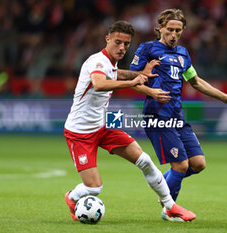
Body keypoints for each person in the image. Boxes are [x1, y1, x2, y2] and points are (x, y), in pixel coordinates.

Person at [63, 20, 196, 222]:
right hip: (79, 132)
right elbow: (99, 84)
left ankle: (170, 207)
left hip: (104, 125)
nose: (122, 47)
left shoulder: (110, 64)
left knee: (145, 161)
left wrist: (141, 74)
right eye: (117, 42)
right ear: (107, 39)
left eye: (126, 44)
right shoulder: (96, 61)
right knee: (94, 188)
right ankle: (72, 197)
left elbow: (117, 73)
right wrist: (132, 82)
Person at [130, 9, 227, 221]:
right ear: (160, 28)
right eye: (169, 30)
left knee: (198, 164)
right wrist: (151, 91)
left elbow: (196, 82)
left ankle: (162, 183)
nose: (173, 34)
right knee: (180, 165)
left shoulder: (182, 53)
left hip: (177, 117)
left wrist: (223, 97)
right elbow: (133, 80)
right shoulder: (147, 49)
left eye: (178, 31)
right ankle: (170, 210)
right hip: (157, 117)